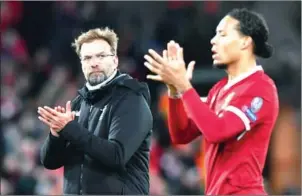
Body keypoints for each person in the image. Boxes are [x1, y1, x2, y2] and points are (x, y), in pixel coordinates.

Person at [144, 8, 279, 195]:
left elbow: (218, 131)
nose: (213, 41)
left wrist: (184, 86)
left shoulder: (261, 88)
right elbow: (181, 135)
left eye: (222, 34)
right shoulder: (219, 90)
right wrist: (174, 91)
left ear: (245, 42)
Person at [38, 27, 153, 195]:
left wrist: (69, 128)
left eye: (101, 56)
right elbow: (50, 162)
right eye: (87, 58)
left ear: (115, 60)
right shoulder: (78, 103)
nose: (94, 63)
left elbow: (116, 155)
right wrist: (55, 135)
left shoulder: (131, 100)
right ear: (82, 64)